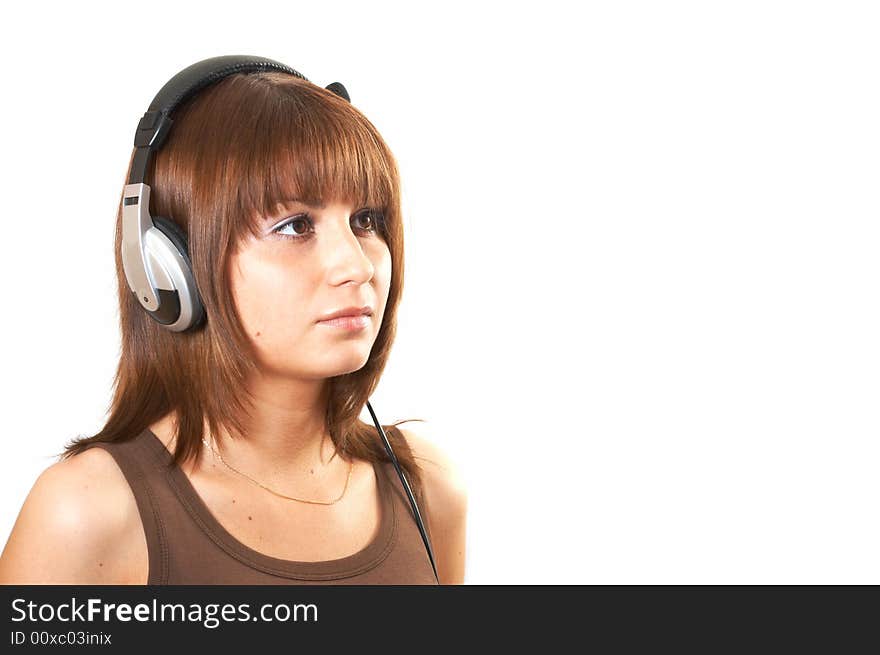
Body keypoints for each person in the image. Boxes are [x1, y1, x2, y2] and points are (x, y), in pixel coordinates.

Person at [0, 59, 467, 585]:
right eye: (295, 225)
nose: (357, 266)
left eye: (367, 221)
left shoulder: (425, 489)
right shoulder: (87, 514)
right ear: (168, 267)